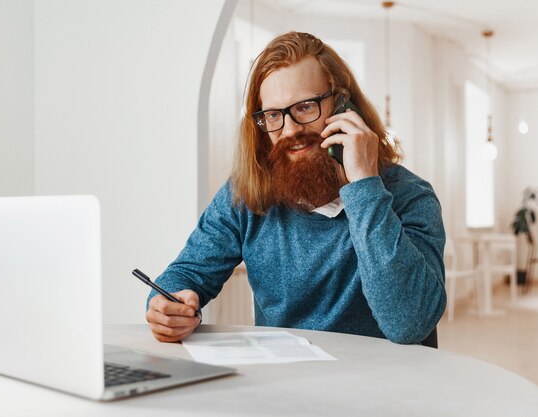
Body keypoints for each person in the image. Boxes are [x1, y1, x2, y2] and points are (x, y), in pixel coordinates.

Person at [145, 31, 446, 346]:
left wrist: (364, 187)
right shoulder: (247, 193)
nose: (290, 130)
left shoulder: (410, 196)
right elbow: (183, 276)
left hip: (390, 390)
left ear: (344, 105)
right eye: (274, 115)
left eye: (304, 107)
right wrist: (167, 306)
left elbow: (409, 324)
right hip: (287, 387)